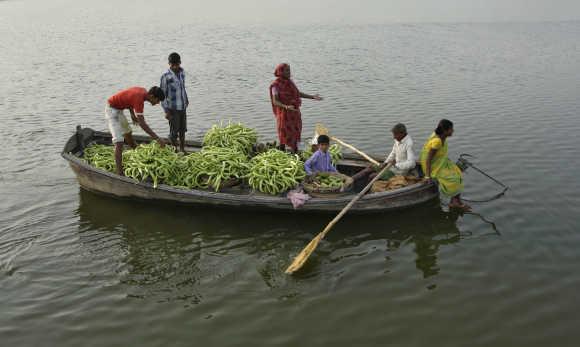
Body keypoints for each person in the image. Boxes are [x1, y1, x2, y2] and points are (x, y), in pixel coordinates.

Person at [105, 86, 166, 176]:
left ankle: (137, 154)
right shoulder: (139, 99)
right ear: (152, 96)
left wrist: (132, 114)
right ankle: (119, 173)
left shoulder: (143, 92)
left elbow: (129, 97)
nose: (158, 103)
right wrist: (157, 139)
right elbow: (142, 123)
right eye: (158, 100)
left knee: (128, 133)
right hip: (111, 110)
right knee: (119, 142)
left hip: (119, 109)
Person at [269, 63, 322, 153]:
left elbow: (297, 93)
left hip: (294, 112)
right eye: (287, 70)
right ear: (281, 72)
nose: (289, 72)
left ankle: (295, 151)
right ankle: (282, 149)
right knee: (284, 131)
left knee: (295, 131)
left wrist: (312, 97)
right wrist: (286, 106)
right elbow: (275, 101)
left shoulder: (290, 83)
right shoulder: (275, 85)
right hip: (284, 114)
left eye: (289, 70)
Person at [420, 119, 470, 211]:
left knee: (458, 172)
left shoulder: (442, 137)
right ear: (445, 131)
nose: (453, 131)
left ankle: (455, 201)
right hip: (433, 166)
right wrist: (427, 176)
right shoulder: (437, 141)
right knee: (453, 178)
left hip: (440, 161)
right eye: (451, 129)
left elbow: (440, 153)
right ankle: (454, 201)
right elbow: (428, 159)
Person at [352, 123, 416, 183]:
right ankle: (350, 180)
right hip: (390, 167)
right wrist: (385, 163)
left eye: (395, 134)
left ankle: (369, 193)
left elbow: (412, 163)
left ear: (402, 134)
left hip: (398, 172)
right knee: (370, 168)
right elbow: (393, 153)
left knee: (373, 176)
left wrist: (396, 165)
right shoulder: (397, 140)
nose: (394, 137)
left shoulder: (409, 144)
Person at [160, 52, 189, 153]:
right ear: (169, 64)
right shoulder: (166, 76)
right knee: (174, 131)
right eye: (172, 65)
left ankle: (182, 148)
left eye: (177, 64)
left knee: (182, 129)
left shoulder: (182, 73)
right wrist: (166, 110)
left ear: (180, 63)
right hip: (173, 108)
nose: (175, 67)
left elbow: (182, 88)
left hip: (182, 106)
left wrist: (186, 99)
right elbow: (162, 95)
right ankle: (174, 149)